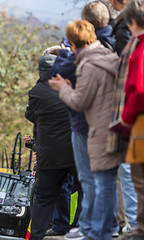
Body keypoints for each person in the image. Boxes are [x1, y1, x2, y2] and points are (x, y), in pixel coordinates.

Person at [49, 19, 124, 240]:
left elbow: (81, 101)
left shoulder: (89, 64)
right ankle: (106, 226)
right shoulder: (107, 54)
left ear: (73, 42)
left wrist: (63, 89)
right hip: (113, 124)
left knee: (92, 180)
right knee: (105, 179)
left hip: (98, 127)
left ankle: (90, 227)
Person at [25, 54, 76, 239]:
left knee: (43, 197)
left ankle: (37, 235)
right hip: (72, 151)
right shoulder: (69, 85)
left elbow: (30, 115)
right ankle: (71, 225)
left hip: (49, 154)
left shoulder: (37, 91)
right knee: (79, 188)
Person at [118, 1, 144, 239]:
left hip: (139, 121)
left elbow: (137, 89)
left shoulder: (140, 48)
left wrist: (125, 119)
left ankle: (139, 228)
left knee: (136, 175)